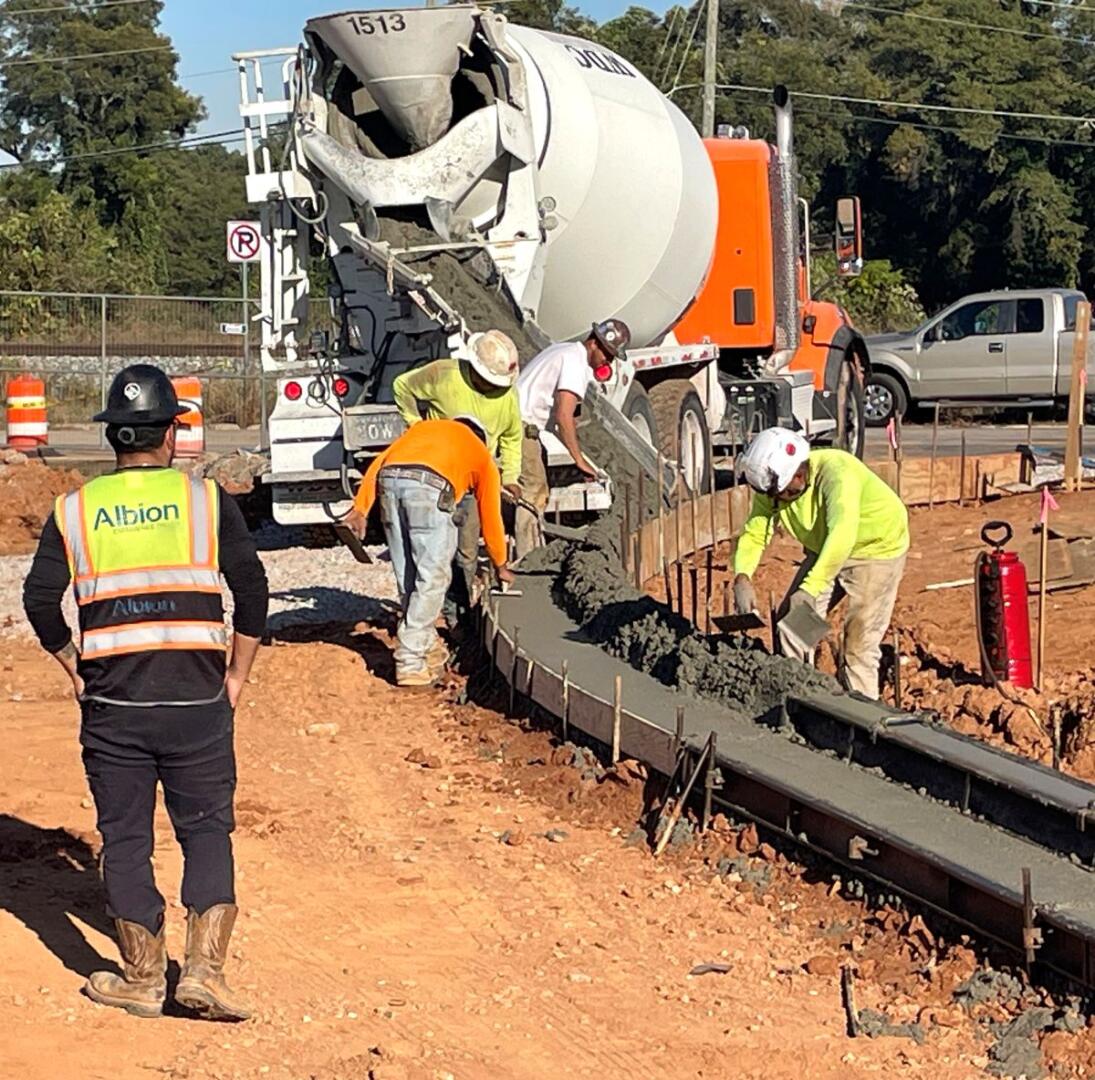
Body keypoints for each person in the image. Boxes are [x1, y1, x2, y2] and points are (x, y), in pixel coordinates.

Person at [21, 364, 269, 1020]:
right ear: (170, 435)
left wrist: (75, 667)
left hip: (114, 707)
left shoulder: (73, 511)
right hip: (197, 703)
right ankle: (205, 973)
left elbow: (39, 600)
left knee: (126, 838)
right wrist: (236, 676)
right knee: (206, 830)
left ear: (112, 436)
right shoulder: (206, 501)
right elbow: (252, 589)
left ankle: (143, 978)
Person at [732, 428, 908, 699]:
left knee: (858, 644)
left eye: (781, 494)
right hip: (825, 545)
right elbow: (756, 532)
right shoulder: (775, 486)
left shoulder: (837, 472)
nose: (774, 500)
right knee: (791, 624)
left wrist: (810, 589)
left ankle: (864, 713)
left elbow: (842, 534)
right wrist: (742, 575)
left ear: (799, 476)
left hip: (875, 549)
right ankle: (799, 697)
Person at [344, 417, 515, 686]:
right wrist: (501, 564)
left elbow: (379, 462)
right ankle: (410, 660)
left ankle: (426, 642)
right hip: (430, 489)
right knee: (433, 577)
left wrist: (361, 508)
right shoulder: (482, 454)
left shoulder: (423, 431)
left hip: (389, 482)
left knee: (408, 574)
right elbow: (491, 518)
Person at [392, 330, 522, 622]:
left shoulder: (508, 396)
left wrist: (511, 477)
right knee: (431, 550)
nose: (492, 388)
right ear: (475, 368)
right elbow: (402, 386)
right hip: (436, 479)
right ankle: (419, 612)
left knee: (466, 552)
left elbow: (512, 438)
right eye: (488, 382)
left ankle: (458, 615)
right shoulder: (444, 375)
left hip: (475, 480)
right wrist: (417, 426)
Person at [514, 319, 630, 557]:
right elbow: (563, 416)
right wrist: (578, 460)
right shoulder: (576, 362)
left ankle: (519, 549)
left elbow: (564, 421)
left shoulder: (563, 350)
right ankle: (528, 559)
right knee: (533, 492)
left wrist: (577, 456)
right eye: (607, 355)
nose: (608, 362)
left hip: (516, 422)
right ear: (594, 343)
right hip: (523, 427)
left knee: (522, 489)